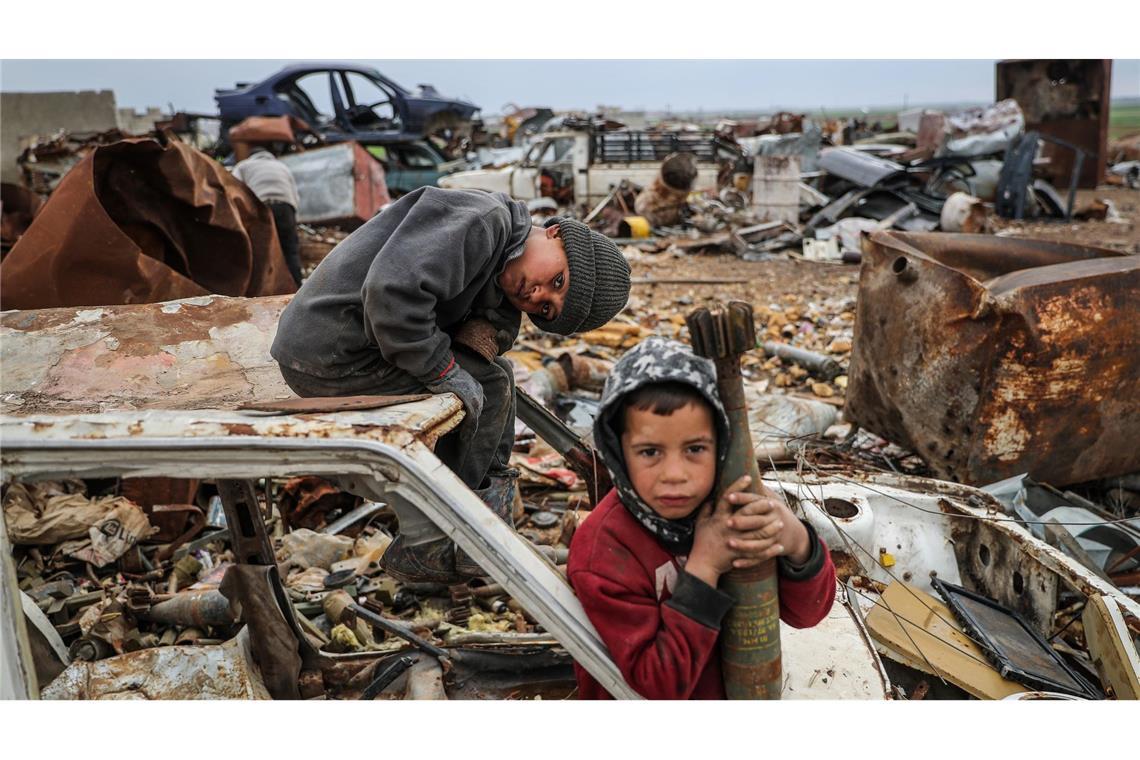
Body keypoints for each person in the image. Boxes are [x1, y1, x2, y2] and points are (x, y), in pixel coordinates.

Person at [271, 186, 631, 583]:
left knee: (496, 378)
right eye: (558, 280)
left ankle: (475, 527)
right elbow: (392, 295)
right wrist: (443, 370)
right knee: (488, 388)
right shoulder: (484, 221)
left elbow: (492, 326)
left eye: (546, 308)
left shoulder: (502, 251)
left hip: (351, 344)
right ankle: (434, 540)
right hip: (329, 350)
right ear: (556, 233)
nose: (537, 295)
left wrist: (485, 334)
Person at [567, 337, 836, 699]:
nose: (675, 474)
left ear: (720, 444)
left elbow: (808, 615)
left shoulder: (733, 507)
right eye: (650, 452)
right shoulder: (605, 551)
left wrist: (797, 542)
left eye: (695, 449)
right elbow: (657, 687)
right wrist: (705, 567)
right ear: (618, 451)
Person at [232, 145, 303, 285]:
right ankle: (297, 287)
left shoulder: (244, 165)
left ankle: (260, 288)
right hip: (286, 207)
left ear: (252, 156)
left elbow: (233, 187)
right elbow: (295, 195)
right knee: (290, 250)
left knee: (261, 249)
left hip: (262, 206)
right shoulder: (282, 166)